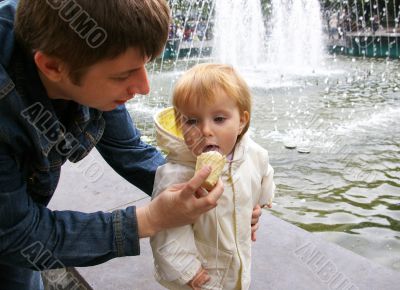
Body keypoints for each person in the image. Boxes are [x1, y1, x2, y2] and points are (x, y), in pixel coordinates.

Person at [0, 1, 263, 289]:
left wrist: (221, 200)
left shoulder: (82, 46)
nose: (144, 87)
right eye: (123, 75)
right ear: (53, 66)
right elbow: (16, 232)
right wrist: (150, 218)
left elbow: (130, 152)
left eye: (144, 65)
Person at [150, 63, 275, 290]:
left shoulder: (253, 154)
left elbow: (264, 174)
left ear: (242, 121)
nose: (206, 130)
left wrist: (259, 204)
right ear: (180, 125)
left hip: (238, 265)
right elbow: (166, 231)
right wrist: (188, 271)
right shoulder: (176, 175)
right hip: (200, 277)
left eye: (218, 119)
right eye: (192, 121)